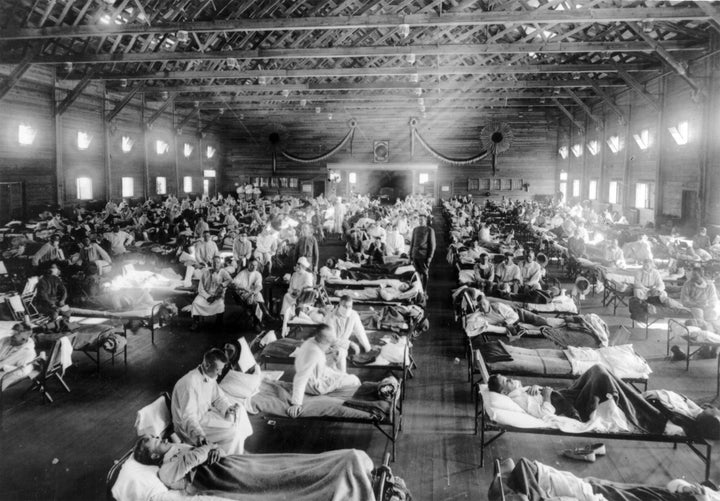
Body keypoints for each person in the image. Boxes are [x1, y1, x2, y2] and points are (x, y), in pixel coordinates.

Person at [132, 437, 375, 499]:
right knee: (279, 479)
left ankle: (347, 464)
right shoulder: (165, 470)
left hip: (230, 463)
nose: (157, 437)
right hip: (221, 477)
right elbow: (195, 458)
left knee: (286, 463)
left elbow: (206, 449)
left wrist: (212, 448)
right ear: (152, 454)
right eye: (152, 440)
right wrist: (206, 449)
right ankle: (344, 478)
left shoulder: (177, 449)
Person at [487, 364, 669, 434]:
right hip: (571, 406)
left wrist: (534, 387)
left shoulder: (517, 391)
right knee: (601, 376)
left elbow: (523, 388)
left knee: (598, 369)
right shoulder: (518, 400)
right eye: (507, 381)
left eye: (507, 377)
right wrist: (547, 394)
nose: (511, 380)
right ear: (504, 393)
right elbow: (543, 414)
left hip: (566, 394)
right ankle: (654, 419)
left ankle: (629, 399)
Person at [171, 348, 252, 455]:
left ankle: (236, 447)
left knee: (239, 410)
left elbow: (218, 398)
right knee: (233, 431)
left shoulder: (209, 375)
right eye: (218, 370)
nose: (220, 373)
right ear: (207, 365)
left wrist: (227, 408)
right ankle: (231, 458)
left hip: (203, 416)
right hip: (190, 428)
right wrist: (198, 434)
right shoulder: (189, 384)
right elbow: (188, 417)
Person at [286, 325, 361, 418]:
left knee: (343, 372)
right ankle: (343, 399)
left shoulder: (312, 341)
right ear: (323, 341)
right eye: (328, 342)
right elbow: (301, 377)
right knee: (355, 380)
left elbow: (333, 339)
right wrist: (296, 403)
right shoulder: (313, 353)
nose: (330, 344)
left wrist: (350, 343)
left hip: (321, 373)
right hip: (315, 385)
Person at [324, 296, 372, 373]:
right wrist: (350, 343)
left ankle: (342, 377)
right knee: (337, 360)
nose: (347, 309)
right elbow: (331, 339)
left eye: (350, 306)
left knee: (341, 354)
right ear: (339, 305)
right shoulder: (330, 317)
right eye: (345, 306)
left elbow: (360, 332)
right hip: (329, 347)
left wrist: (368, 348)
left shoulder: (353, 315)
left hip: (342, 347)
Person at [190, 256, 231, 330]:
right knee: (196, 303)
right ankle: (195, 322)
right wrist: (207, 296)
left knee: (220, 304)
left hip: (216, 295)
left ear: (220, 263)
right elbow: (200, 288)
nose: (216, 264)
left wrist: (223, 285)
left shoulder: (223, 272)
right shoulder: (205, 272)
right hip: (205, 294)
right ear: (211, 263)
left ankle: (218, 323)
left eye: (218, 262)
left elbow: (230, 280)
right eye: (214, 262)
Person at [231, 258, 273, 325]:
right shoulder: (242, 273)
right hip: (243, 294)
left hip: (253, 293)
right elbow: (233, 283)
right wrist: (244, 288)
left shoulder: (257, 274)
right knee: (256, 300)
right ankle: (261, 319)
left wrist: (253, 293)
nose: (254, 267)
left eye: (255, 265)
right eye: (251, 265)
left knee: (257, 295)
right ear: (248, 264)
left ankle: (261, 318)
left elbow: (259, 286)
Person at [0, 324, 36, 390]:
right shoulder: (6, 340)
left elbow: (24, 371)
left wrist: (4, 367)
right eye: (13, 332)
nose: (12, 336)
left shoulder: (28, 352)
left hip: (3, 373)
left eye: (16, 334)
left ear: (24, 338)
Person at [35, 263, 71, 329]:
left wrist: (62, 300)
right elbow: (43, 296)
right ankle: (50, 326)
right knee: (55, 312)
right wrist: (52, 304)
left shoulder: (56, 279)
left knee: (67, 310)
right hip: (44, 304)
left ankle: (64, 324)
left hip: (55, 302)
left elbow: (64, 290)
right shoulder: (42, 281)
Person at [408, 215, 436, 291]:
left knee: (424, 273)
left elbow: (432, 245)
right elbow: (412, 243)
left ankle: (424, 290)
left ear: (426, 220)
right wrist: (410, 255)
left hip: (424, 255)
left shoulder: (429, 230)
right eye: (419, 220)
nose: (420, 221)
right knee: (416, 273)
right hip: (415, 254)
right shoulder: (415, 229)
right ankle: (418, 290)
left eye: (422, 220)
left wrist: (430, 257)